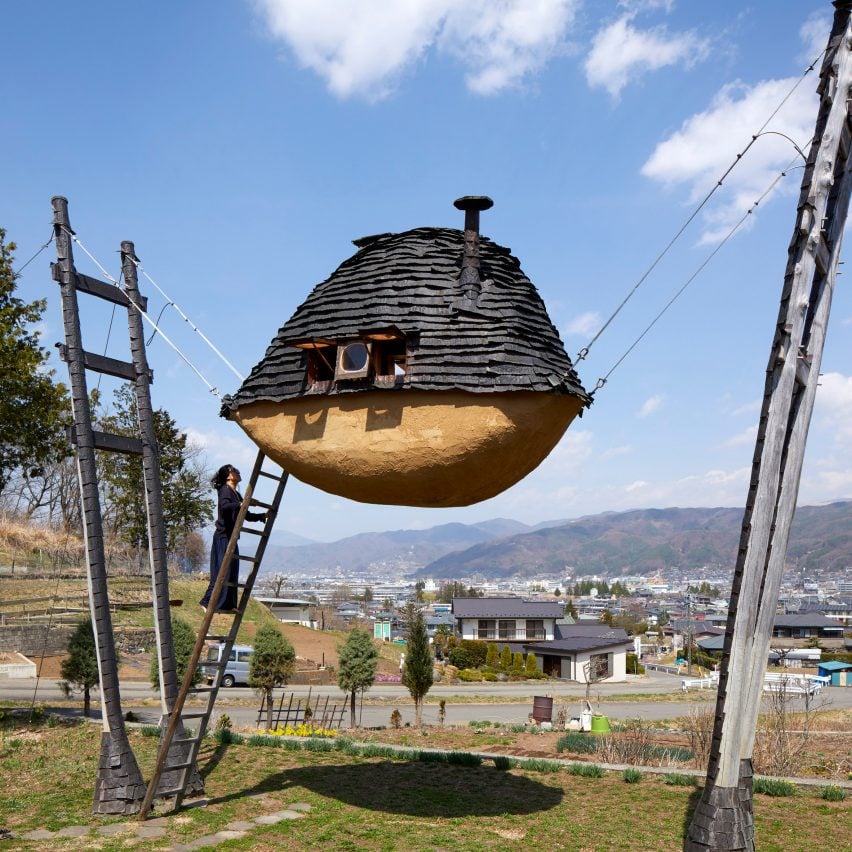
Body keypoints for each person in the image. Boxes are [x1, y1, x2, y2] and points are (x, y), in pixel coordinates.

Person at [199, 464, 266, 613]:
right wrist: (242, 503)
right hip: (223, 536)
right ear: (229, 476)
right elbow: (224, 507)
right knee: (221, 571)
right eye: (234, 470)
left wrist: (260, 516)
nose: (238, 471)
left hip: (233, 537)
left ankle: (228, 604)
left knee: (232, 571)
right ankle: (206, 601)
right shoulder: (225, 490)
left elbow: (245, 515)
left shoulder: (236, 493)